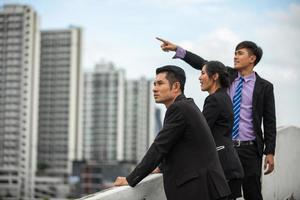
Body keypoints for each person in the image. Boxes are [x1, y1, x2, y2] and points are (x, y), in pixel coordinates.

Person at [157, 38, 276, 200]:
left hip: (249, 148)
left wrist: (269, 151)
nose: (235, 57)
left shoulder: (265, 87)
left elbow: (269, 120)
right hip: (223, 149)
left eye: (240, 53)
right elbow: (203, 63)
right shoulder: (227, 77)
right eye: (234, 53)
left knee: (253, 193)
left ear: (252, 58)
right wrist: (178, 50)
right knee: (226, 194)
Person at [114, 65, 230, 200]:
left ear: (175, 86)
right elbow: (179, 145)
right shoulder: (186, 106)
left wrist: (131, 179)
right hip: (208, 188)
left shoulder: (179, 109)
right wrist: (160, 167)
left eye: (160, 83)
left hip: (200, 191)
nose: (154, 88)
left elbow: (159, 147)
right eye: (154, 84)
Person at [199, 61, 244, 200]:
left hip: (222, 169)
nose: (199, 77)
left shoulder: (214, 100)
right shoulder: (224, 97)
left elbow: (199, 132)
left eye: (203, 73)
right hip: (230, 166)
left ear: (215, 76)